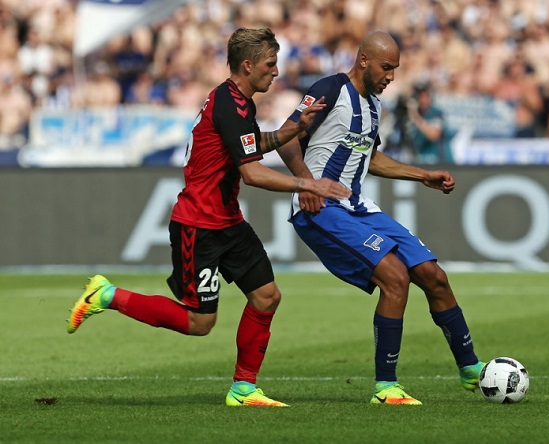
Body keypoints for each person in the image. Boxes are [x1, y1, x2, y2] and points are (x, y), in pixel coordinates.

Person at [66, 28, 351, 408]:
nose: (277, 71)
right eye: (270, 64)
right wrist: (308, 185)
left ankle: (244, 389)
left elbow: (250, 145)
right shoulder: (230, 105)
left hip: (227, 221)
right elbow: (251, 172)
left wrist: (292, 130)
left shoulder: (236, 101)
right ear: (248, 66)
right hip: (197, 225)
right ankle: (106, 295)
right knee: (201, 323)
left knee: (266, 297)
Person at [276, 31, 484, 405]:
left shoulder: (373, 106)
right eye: (387, 68)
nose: (391, 76)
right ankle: (385, 387)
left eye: (396, 70)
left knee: (433, 276)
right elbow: (288, 138)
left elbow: (371, 160)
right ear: (365, 61)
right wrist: (306, 184)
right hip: (319, 207)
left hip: (357, 205)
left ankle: (471, 369)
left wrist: (423, 175)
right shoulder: (330, 88)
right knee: (394, 275)